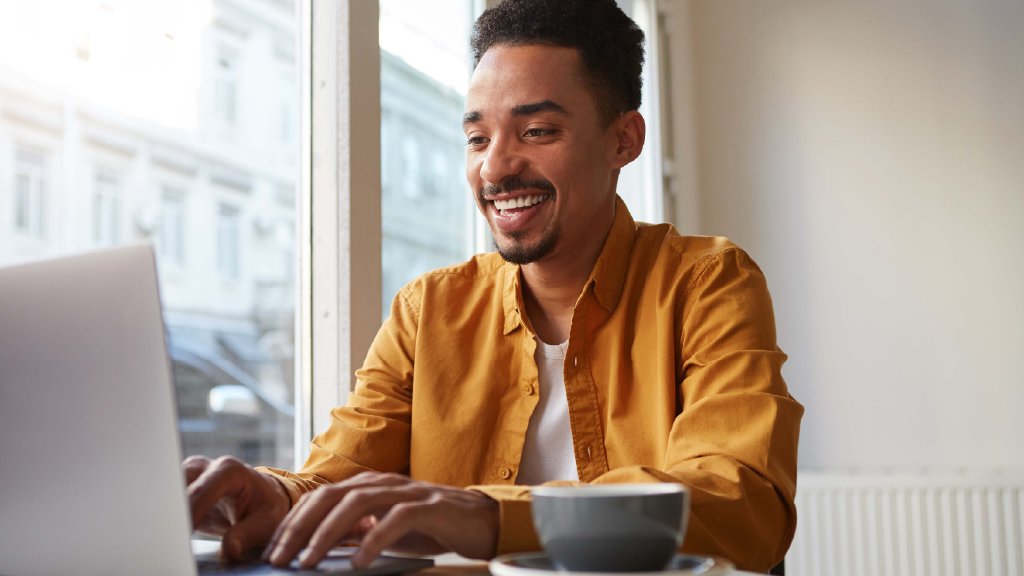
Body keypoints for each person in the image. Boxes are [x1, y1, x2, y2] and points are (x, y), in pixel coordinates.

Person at [184, 0, 804, 572]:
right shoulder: (428, 311)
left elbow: (741, 499)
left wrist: (485, 515)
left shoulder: (707, 282)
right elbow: (338, 481)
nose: (495, 167)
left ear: (624, 140)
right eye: (477, 138)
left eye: (536, 132)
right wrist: (275, 494)